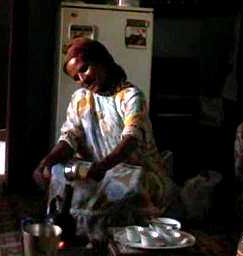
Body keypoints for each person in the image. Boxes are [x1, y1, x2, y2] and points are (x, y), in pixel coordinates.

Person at [33, 37, 175, 243]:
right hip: (98, 170)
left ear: (102, 61)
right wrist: (46, 162)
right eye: (76, 77)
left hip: (135, 170)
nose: (82, 79)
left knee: (131, 185)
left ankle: (108, 238)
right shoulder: (80, 99)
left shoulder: (131, 96)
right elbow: (69, 138)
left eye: (84, 69)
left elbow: (131, 141)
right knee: (57, 171)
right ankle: (70, 230)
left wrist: (102, 167)